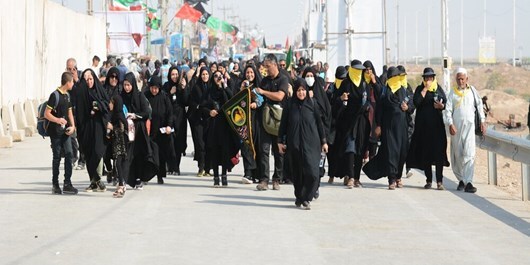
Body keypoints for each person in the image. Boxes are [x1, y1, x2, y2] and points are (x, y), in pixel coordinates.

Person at [278, 78, 328, 210]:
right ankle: (300, 197)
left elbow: (319, 123)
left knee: (312, 173)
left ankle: (307, 196)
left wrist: (324, 141)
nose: (301, 93)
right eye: (298, 90)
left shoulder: (312, 104)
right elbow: (283, 124)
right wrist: (279, 142)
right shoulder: (289, 105)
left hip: (312, 144)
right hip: (294, 144)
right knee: (297, 173)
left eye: (303, 90)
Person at [362, 66, 413, 190]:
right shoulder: (385, 92)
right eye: (393, 77)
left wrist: (408, 108)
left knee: (402, 153)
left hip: (402, 127)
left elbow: (412, 105)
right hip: (389, 127)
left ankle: (398, 176)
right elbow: (379, 109)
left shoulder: (405, 91)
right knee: (391, 152)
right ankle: (391, 179)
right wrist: (378, 125)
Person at [406, 67, 450, 190]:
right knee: (426, 154)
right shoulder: (420, 89)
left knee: (439, 154)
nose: (429, 80)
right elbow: (416, 102)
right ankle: (429, 180)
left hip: (437, 128)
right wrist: (425, 89)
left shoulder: (438, 89)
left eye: (431, 77)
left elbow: (445, 103)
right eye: (426, 78)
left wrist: (441, 106)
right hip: (423, 128)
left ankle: (440, 181)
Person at [443, 67, 485, 193]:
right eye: (458, 79)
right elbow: (448, 110)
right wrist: (450, 124)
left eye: (462, 79)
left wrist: (482, 121)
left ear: (467, 79)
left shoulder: (472, 91)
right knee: (458, 155)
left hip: (470, 127)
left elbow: (479, 106)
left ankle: (469, 182)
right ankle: (461, 179)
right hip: (456, 129)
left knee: (469, 153)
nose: (461, 81)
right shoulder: (452, 93)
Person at [332, 59, 372, 189]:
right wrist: (341, 99)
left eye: (361, 70)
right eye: (357, 70)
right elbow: (335, 101)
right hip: (348, 122)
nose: (359, 72)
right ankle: (350, 176)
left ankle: (357, 178)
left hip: (361, 122)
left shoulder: (364, 84)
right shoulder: (345, 84)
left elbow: (368, 101)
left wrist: (366, 107)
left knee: (360, 150)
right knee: (350, 148)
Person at [254, 54, 290, 191]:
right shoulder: (264, 81)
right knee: (263, 150)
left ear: (274, 65)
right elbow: (260, 97)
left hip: (279, 120)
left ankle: (277, 179)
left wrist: (263, 92)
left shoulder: (283, 79)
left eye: (268, 66)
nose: (266, 69)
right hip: (265, 119)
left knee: (278, 151)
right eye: (265, 67)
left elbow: (280, 96)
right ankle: (264, 179)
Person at [121, 72, 159, 189]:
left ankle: (138, 178)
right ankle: (123, 178)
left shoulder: (139, 96)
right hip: (126, 130)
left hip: (138, 130)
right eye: (125, 85)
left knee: (138, 155)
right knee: (126, 155)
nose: (126, 87)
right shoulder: (121, 96)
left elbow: (146, 113)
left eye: (128, 85)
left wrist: (135, 115)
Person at [202, 70, 239, 187]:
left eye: (220, 76)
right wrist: (209, 112)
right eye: (216, 76)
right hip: (213, 125)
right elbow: (202, 106)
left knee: (224, 151)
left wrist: (223, 86)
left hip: (224, 125)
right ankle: (216, 177)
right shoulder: (208, 92)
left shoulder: (225, 90)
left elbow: (231, 100)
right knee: (214, 150)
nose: (218, 78)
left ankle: (224, 175)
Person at [76, 69, 110, 192]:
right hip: (85, 127)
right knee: (89, 153)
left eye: (91, 79)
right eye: (86, 80)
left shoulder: (100, 91)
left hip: (98, 126)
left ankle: (98, 178)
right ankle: (95, 181)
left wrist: (97, 106)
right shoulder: (80, 93)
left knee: (98, 151)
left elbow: (107, 105)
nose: (89, 82)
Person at [45, 72, 78, 195]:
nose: (73, 84)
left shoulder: (67, 96)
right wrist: (58, 120)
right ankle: (55, 184)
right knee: (57, 157)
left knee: (70, 154)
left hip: (66, 132)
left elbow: (69, 112)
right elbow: (46, 114)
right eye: (72, 82)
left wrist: (73, 126)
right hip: (55, 132)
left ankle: (67, 183)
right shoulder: (55, 95)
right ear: (68, 82)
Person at [145, 76, 175, 184]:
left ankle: (160, 175)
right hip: (149, 131)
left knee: (161, 155)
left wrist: (169, 125)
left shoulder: (164, 97)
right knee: (148, 154)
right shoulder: (145, 97)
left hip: (161, 131)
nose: (154, 90)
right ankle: (146, 176)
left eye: (156, 88)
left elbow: (170, 113)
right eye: (152, 88)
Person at [239, 65, 263, 184]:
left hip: (256, 120)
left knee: (256, 146)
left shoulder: (259, 87)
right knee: (246, 145)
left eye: (251, 72)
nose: (249, 75)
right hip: (244, 121)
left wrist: (256, 104)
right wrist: (241, 88)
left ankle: (256, 173)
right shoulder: (242, 85)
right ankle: (248, 172)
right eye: (247, 73)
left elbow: (262, 100)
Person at [162, 66, 188, 175]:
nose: (175, 76)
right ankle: (170, 166)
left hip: (180, 118)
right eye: (172, 74)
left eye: (176, 74)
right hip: (169, 117)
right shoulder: (166, 86)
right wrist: (170, 93)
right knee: (169, 142)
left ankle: (176, 166)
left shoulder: (182, 85)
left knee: (179, 143)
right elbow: (163, 101)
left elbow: (186, 102)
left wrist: (184, 88)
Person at [326, 66, 347, 184]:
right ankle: (331, 175)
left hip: (344, 125)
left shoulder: (348, 88)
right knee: (332, 152)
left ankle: (346, 175)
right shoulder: (331, 90)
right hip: (333, 125)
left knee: (344, 151)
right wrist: (339, 99)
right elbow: (329, 108)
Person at [188, 67, 210, 177]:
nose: (205, 76)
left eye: (207, 74)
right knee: (200, 144)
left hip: (209, 119)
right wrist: (199, 107)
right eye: (203, 74)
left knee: (208, 144)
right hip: (198, 119)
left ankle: (207, 168)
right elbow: (192, 102)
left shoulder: (211, 87)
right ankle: (201, 167)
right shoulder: (196, 88)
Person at [106, 95, 128, 198]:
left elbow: (123, 129)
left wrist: (112, 127)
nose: (109, 104)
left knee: (118, 164)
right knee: (117, 164)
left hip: (121, 144)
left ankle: (121, 185)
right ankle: (121, 184)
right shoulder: (114, 114)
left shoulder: (119, 115)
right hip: (116, 144)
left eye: (111, 102)